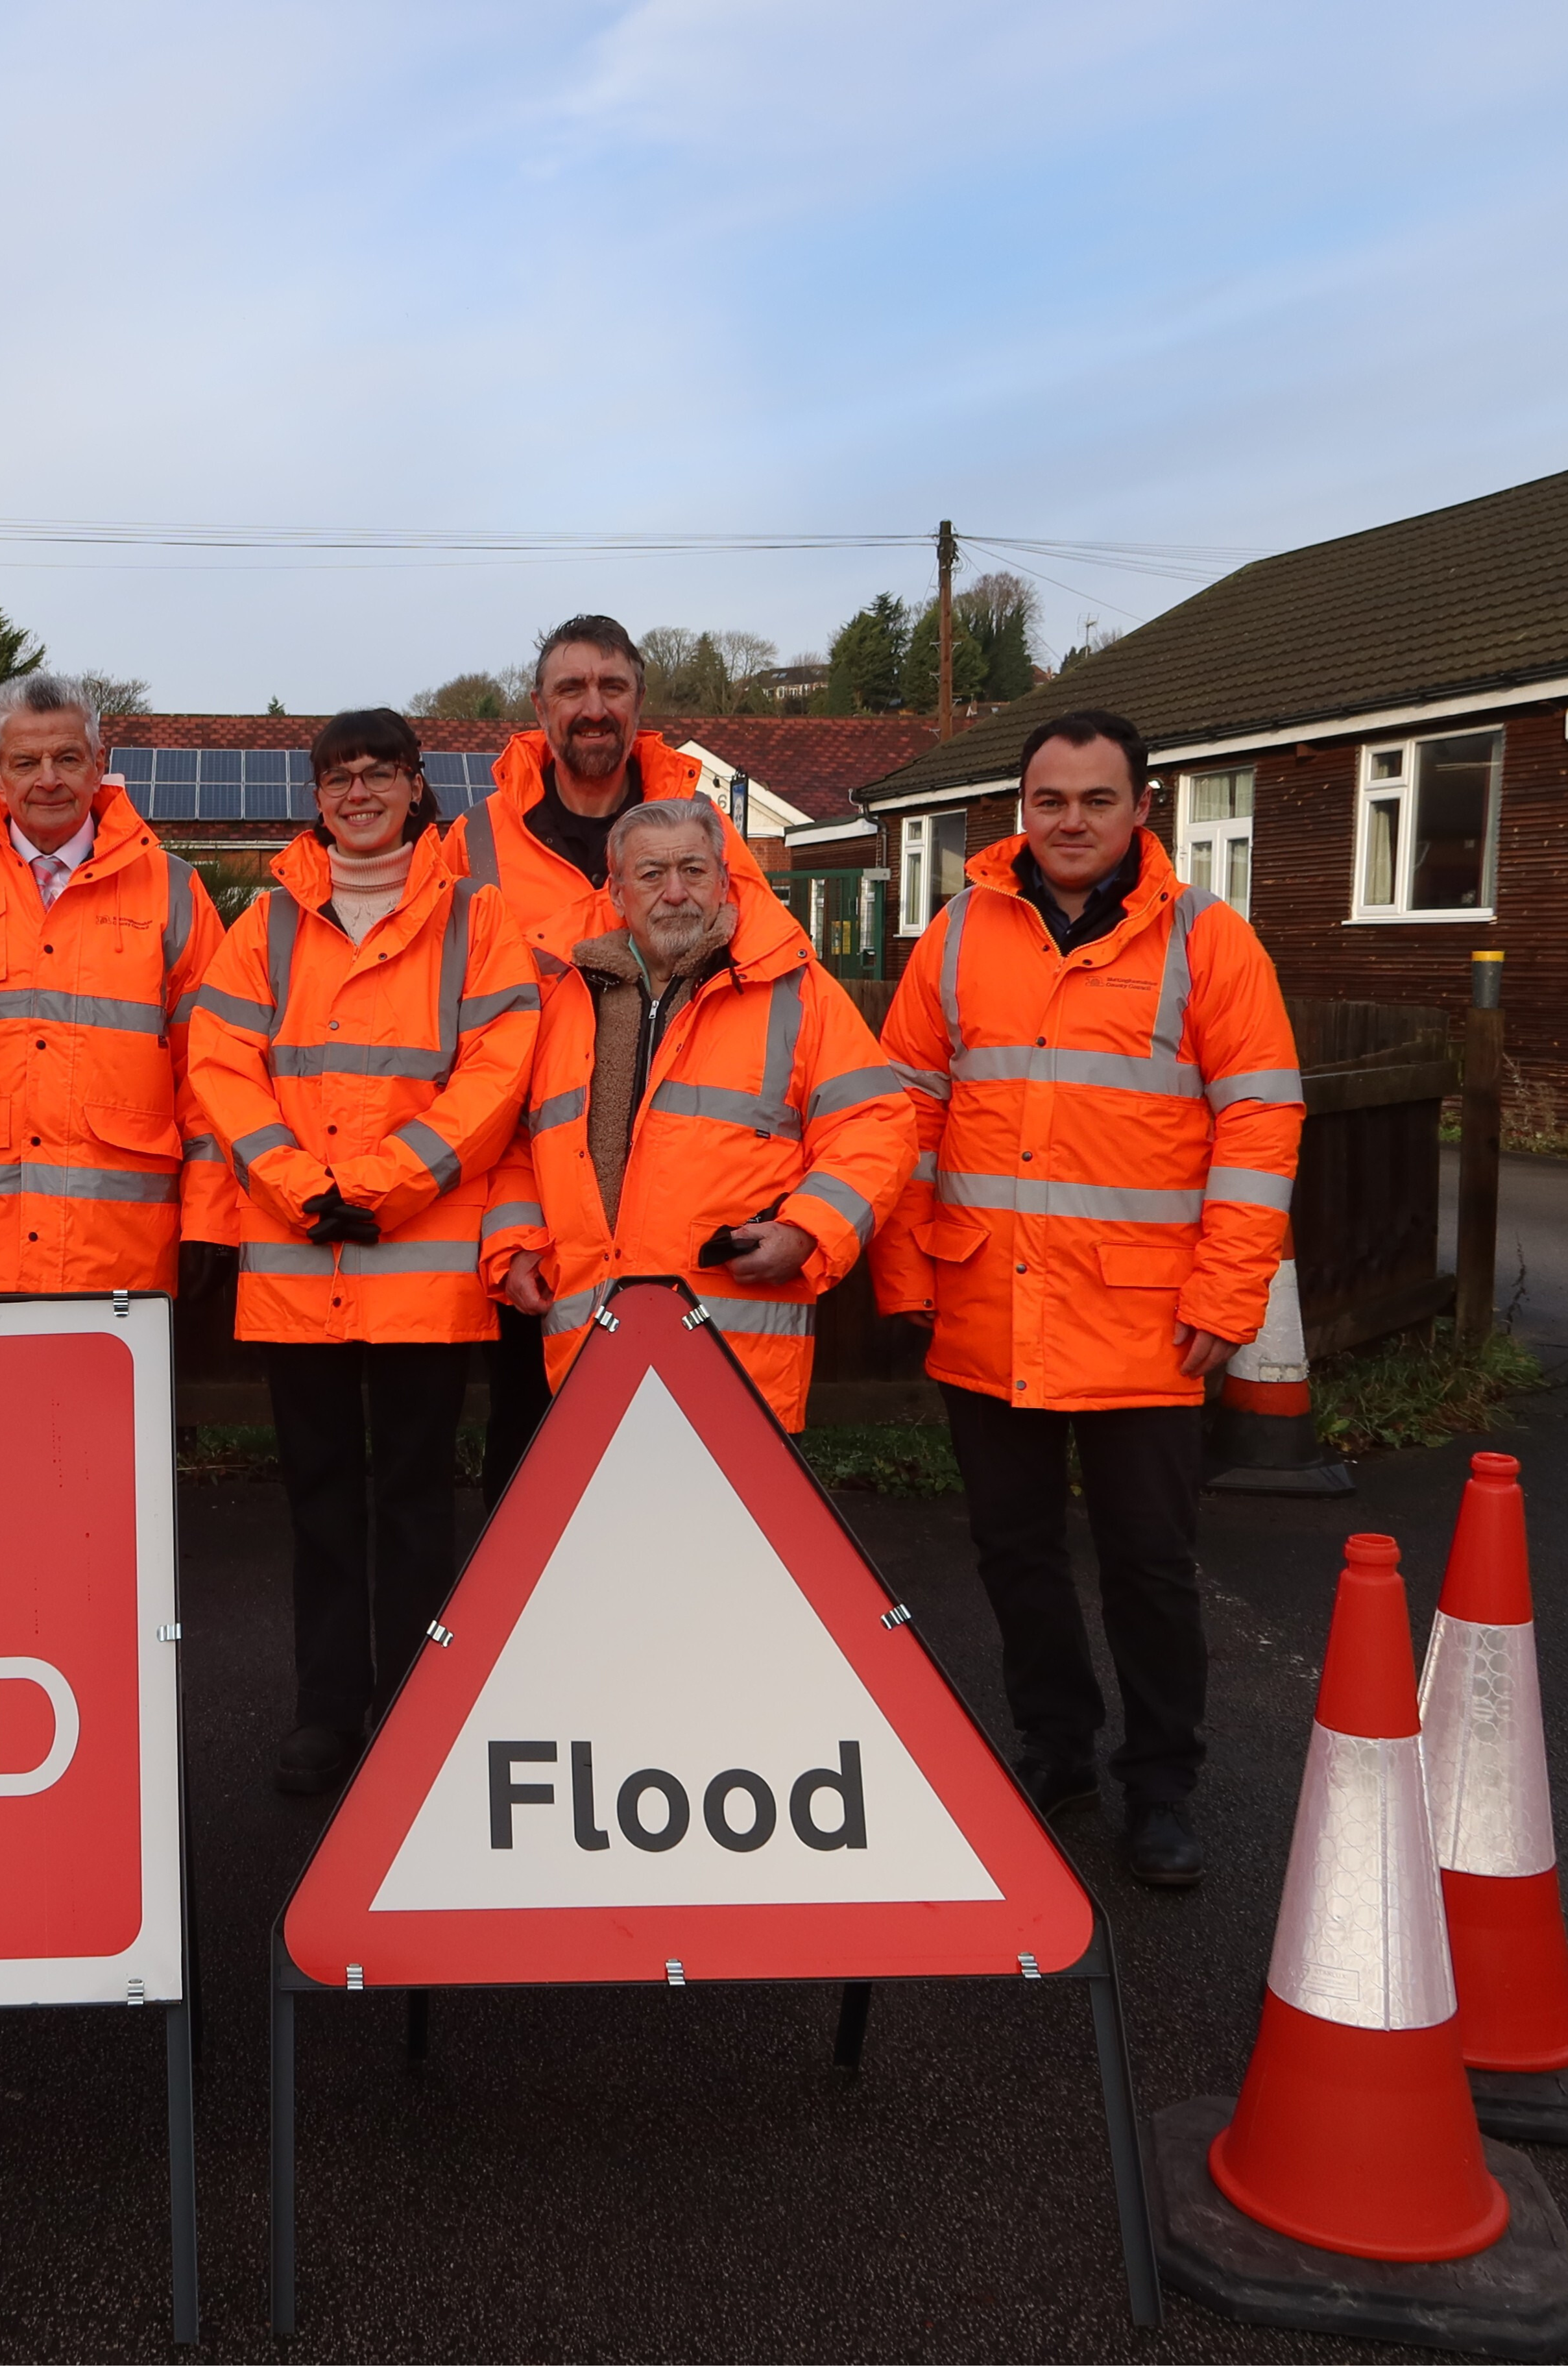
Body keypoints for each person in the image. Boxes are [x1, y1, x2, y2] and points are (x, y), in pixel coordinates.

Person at [866, 709, 1304, 1888]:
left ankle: (1159, 1784)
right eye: (1047, 800)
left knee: (1148, 1565)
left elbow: (1260, 1122)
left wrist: (1229, 1289)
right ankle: (1052, 1746)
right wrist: (902, 1265)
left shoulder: (1208, 942)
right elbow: (900, 1111)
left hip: (1142, 1319)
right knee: (1013, 1551)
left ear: (1140, 810)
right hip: (985, 1303)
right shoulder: (956, 933)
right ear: (1021, 808)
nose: (1068, 821)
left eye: (1094, 800)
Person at [186, 709, 538, 1796]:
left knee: (415, 1502)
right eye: (337, 778)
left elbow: (499, 1071)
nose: (356, 794)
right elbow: (219, 1062)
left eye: (376, 775)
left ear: (415, 784)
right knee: (321, 1500)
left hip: (422, 1266)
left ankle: (418, 1716)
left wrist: (385, 1183)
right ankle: (326, 1710)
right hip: (298, 1266)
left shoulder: (478, 918)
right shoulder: (265, 924)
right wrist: (296, 1182)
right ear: (316, 793)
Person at [451, 615, 792, 1498]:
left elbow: (771, 972)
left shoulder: (703, 832)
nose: (592, 707)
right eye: (571, 689)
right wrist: (510, 1227)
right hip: (541, 1208)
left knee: (690, 1489)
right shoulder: (474, 842)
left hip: (680, 1214)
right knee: (535, 1482)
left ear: (640, 704)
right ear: (539, 707)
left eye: (611, 688)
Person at [485, 799, 916, 1429]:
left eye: (693, 870)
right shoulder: (558, 999)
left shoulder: (796, 990)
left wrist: (808, 1231)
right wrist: (516, 1242)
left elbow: (876, 1123)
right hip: (587, 1351)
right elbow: (520, 1139)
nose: (675, 893)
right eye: (652, 874)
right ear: (616, 892)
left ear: (722, 881)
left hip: (738, 1363)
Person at [0, 671, 234, 1307]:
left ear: (99, 764)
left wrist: (209, 1222)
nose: (48, 778)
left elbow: (211, 1076)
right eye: (26, 761)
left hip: (119, 1262)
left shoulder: (173, 891)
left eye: (67, 758)